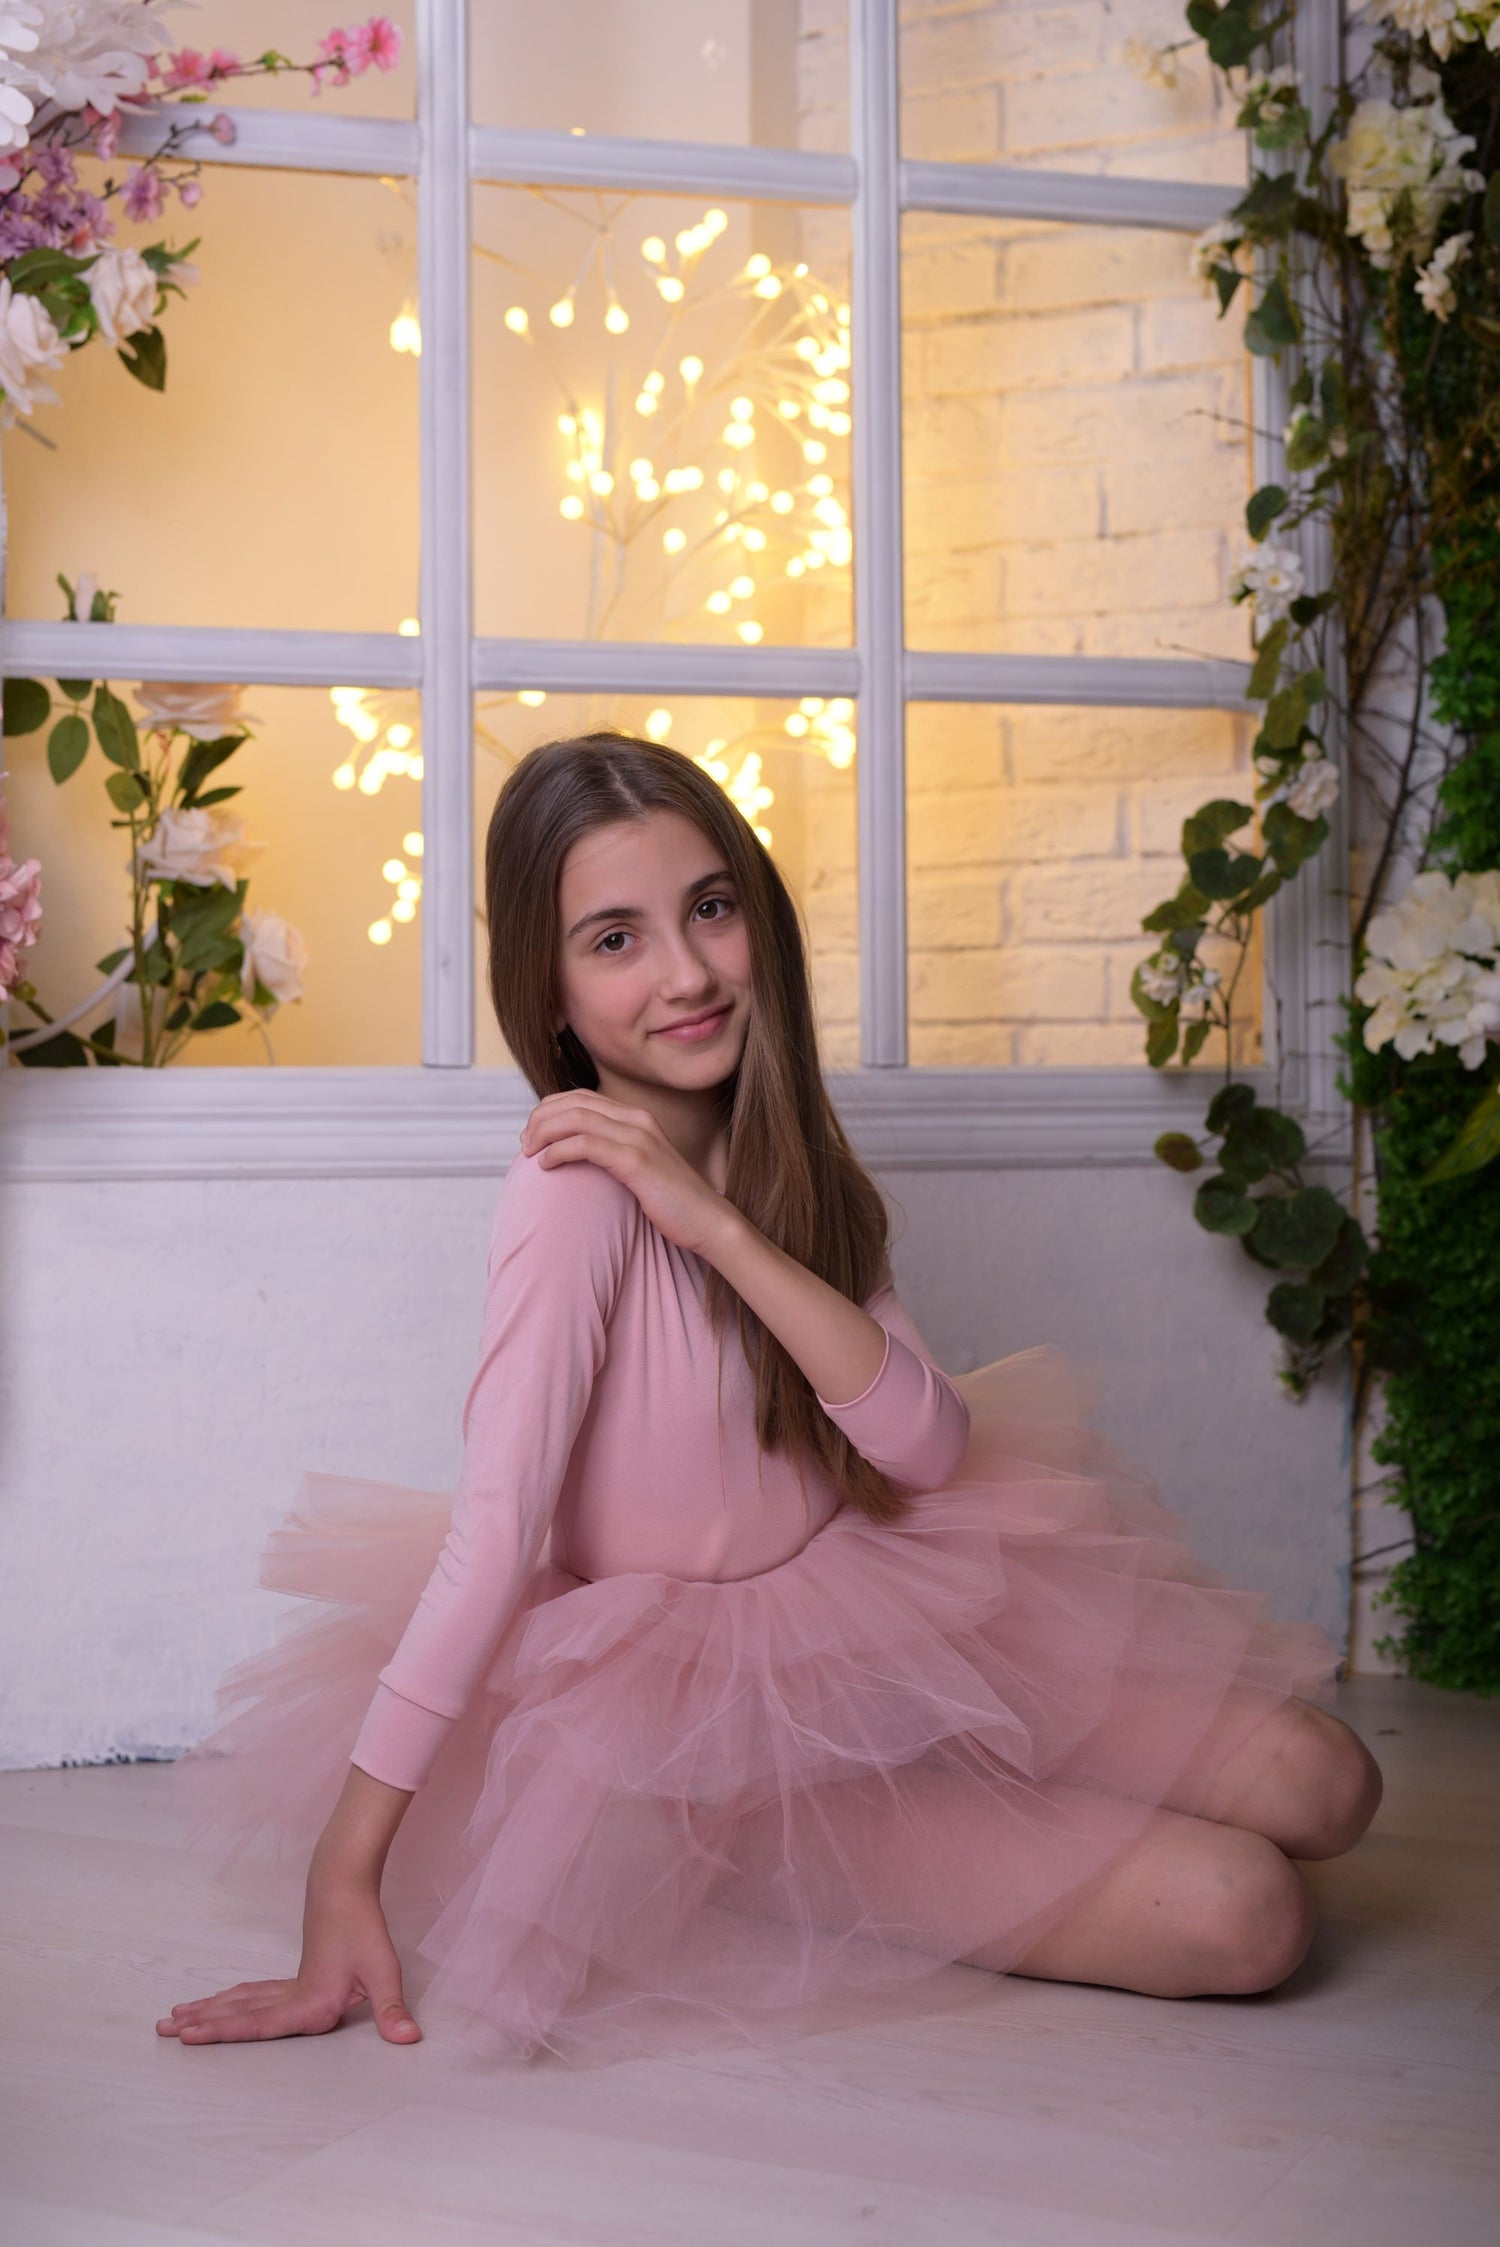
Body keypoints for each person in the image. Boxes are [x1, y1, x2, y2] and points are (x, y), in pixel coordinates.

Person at [158, 730, 1381, 2067]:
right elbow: (496, 1535)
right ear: (550, 990)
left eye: (710, 909)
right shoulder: (571, 1194)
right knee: (1249, 1916)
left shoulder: (776, 1147)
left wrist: (722, 1225)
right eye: (614, 940)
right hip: (696, 1729)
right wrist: (345, 1872)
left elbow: (924, 1442)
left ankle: (946, 1778)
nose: (686, 974)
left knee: (1331, 1782)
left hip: (872, 1614)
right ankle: (709, 1853)